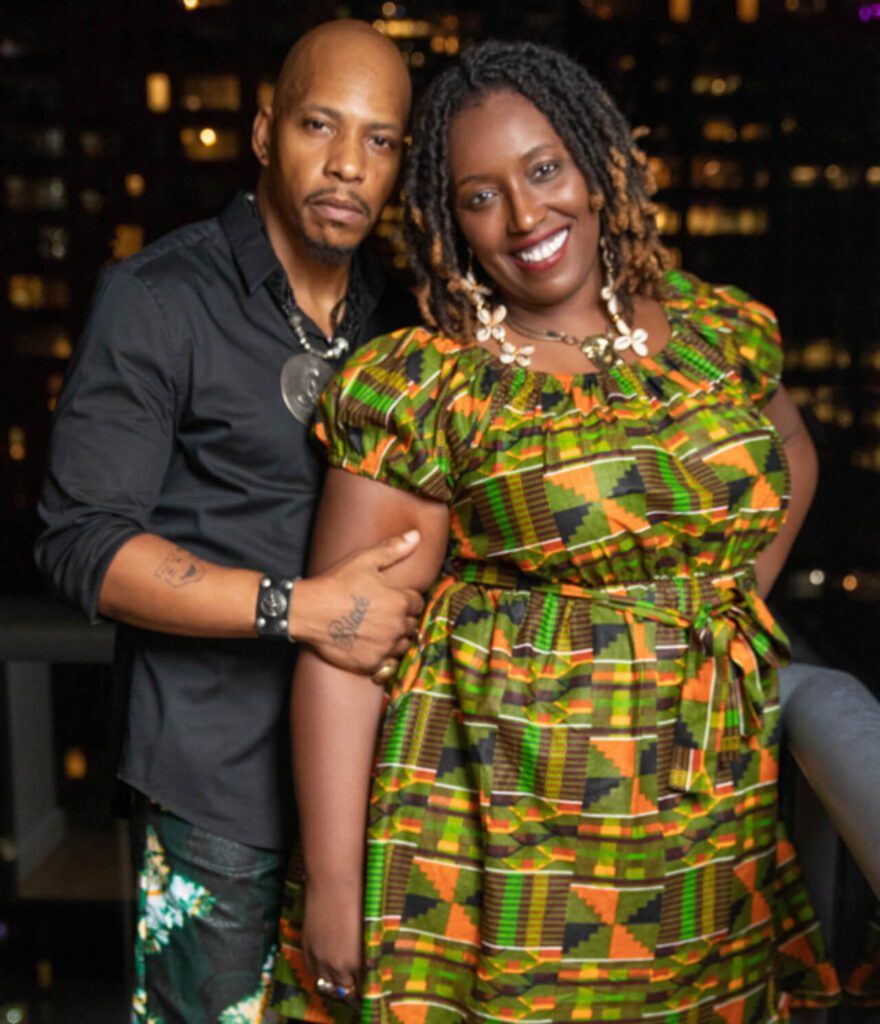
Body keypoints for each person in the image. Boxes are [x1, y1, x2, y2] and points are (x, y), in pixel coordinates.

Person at [271, 39, 841, 1024]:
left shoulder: (711, 333)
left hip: (698, 815)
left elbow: (787, 449)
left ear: (596, 162)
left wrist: (723, 600)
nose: (526, 216)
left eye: (543, 170)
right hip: (502, 828)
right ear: (450, 224)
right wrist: (333, 887)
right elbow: (345, 646)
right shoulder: (435, 384)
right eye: (480, 194)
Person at [34, 20, 421, 1024]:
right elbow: (81, 542)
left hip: (382, 790)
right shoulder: (160, 300)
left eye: (379, 140)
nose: (347, 165)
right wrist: (303, 608)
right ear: (262, 133)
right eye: (319, 126)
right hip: (216, 788)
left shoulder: (403, 318)